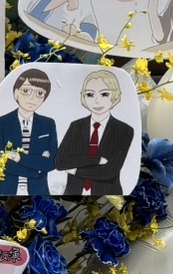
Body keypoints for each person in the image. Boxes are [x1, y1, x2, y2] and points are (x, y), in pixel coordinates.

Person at [52, 70, 134, 198]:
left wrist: (75, 170)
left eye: (104, 94)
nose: (96, 101)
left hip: (107, 197)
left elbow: (109, 172)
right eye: (90, 94)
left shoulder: (124, 130)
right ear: (83, 97)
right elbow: (60, 162)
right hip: (72, 194)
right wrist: (96, 159)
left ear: (115, 95)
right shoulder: (76, 126)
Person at [0, 69, 60, 196]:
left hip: (38, 192)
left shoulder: (48, 124)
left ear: (44, 97)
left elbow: (52, 162)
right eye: (26, 91)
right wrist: (36, 169)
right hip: (3, 192)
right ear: (16, 93)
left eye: (39, 93)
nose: (32, 97)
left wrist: (18, 157)